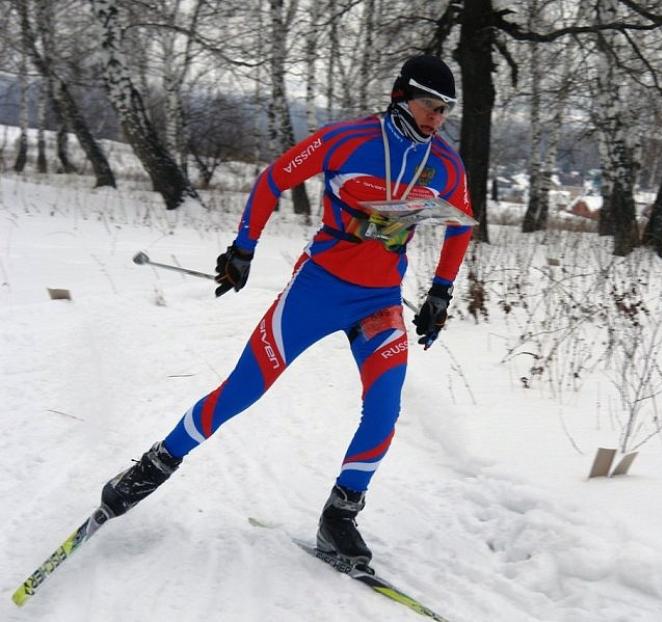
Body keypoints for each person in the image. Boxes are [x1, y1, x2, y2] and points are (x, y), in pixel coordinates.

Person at [99, 54, 472, 567]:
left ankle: (340, 516)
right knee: (242, 390)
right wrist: (243, 249)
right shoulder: (348, 139)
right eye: (430, 106)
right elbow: (274, 179)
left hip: (379, 301)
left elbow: (461, 224)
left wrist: (440, 293)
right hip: (317, 290)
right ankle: (153, 464)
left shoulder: (447, 164)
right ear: (401, 96)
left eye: (444, 111)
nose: (437, 118)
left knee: (385, 409)